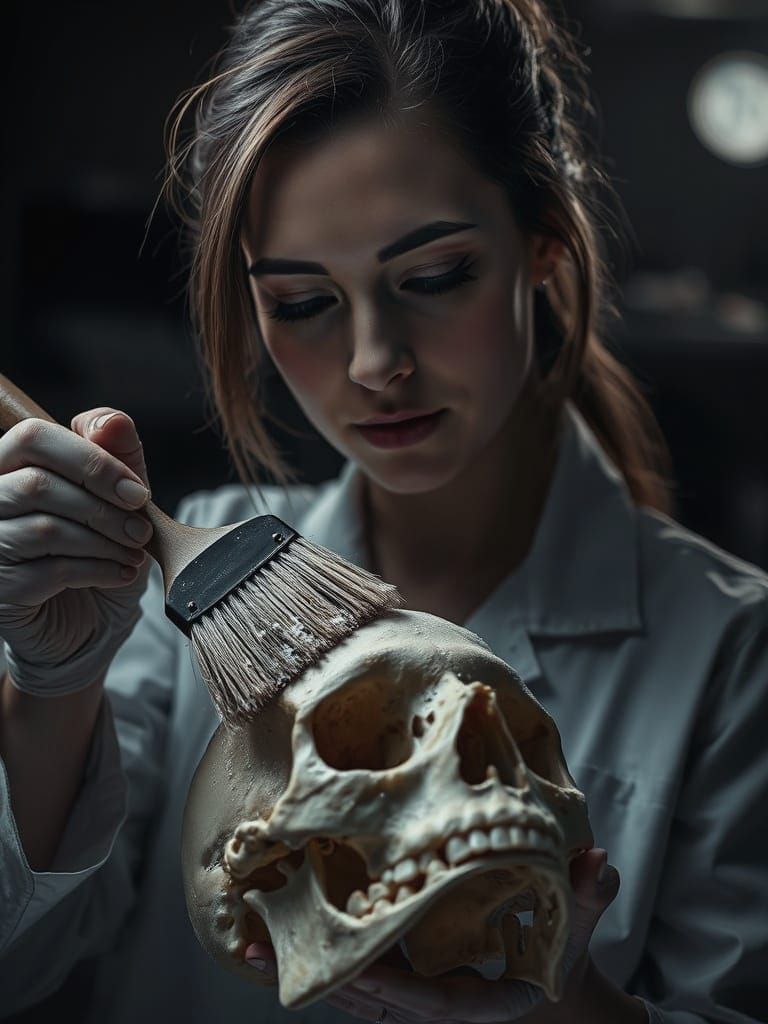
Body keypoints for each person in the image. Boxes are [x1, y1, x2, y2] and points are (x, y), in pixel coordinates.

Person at [0, 0, 765, 1021]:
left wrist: (567, 997)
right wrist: (52, 685)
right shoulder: (168, 596)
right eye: (303, 301)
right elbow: (25, 967)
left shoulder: (732, 646)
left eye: (436, 275)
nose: (374, 364)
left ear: (543, 244)